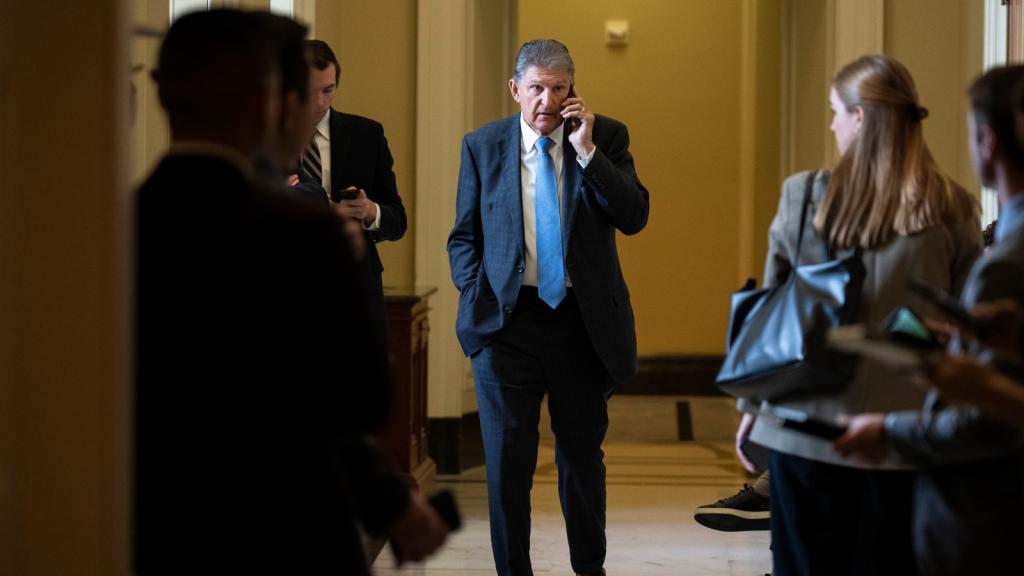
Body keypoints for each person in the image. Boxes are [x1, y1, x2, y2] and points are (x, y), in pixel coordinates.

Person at [135, 10, 445, 574]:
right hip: (289, 526)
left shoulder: (113, 228)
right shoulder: (302, 235)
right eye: (305, 96)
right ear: (273, 104)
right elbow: (358, 402)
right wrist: (391, 503)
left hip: (156, 525)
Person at [738, 54, 981, 576]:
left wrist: (753, 408)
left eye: (834, 111)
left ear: (861, 117)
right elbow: (966, 330)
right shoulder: (954, 208)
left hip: (804, 427)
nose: (831, 124)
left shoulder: (804, 196)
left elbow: (777, 313)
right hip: (902, 436)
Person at [447, 39, 649, 576]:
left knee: (580, 458)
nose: (547, 102)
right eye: (536, 88)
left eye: (559, 89)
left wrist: (588, 153)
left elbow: (633, 215)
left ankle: (590, 568)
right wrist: (476, 293)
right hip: (507, 325)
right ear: (515, 89)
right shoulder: (483, 145)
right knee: (508, 467)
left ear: (573, 92)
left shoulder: (606, 137)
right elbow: (463, 237)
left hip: (580, 327)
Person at [835, 65, 1024, 575]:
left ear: (987, 143)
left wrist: (891, 433)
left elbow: (995, 423)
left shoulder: (1005, 262)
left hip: (988, 520)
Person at [293, 39, 407, 338]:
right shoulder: (265, 137)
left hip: (356, 293)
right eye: (309, 91)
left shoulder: (366, 135)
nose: (319, 102)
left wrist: (370, 212)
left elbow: (398, 220)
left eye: (328, 90)